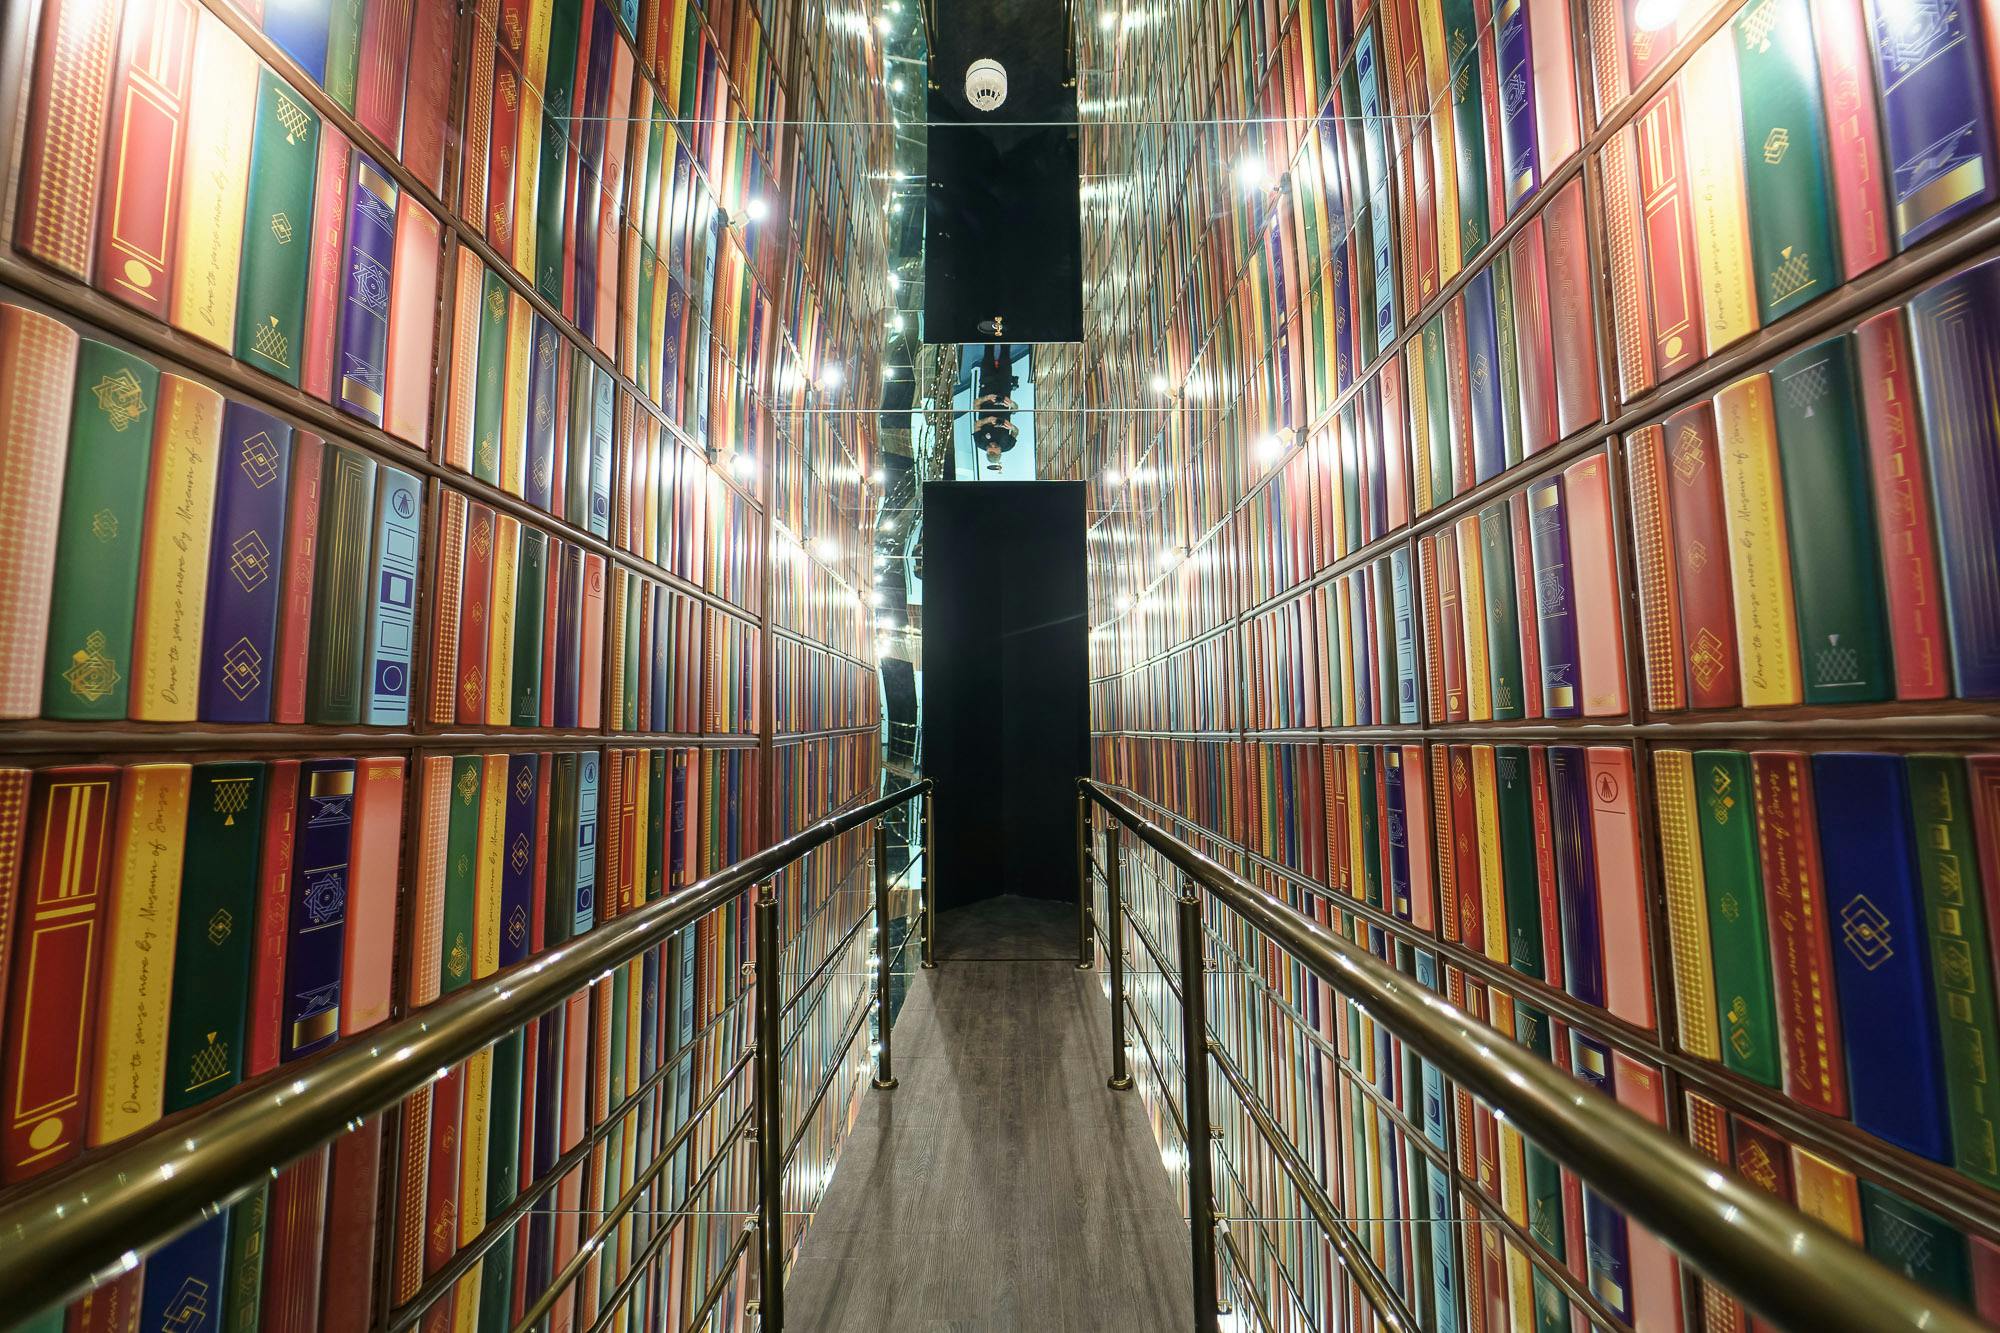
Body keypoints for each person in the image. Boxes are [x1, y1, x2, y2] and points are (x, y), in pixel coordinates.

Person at [972, 345, 1018, 471]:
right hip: (1004, 390)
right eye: (996, 447)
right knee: (1005, 355)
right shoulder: (1007, 445)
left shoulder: (980, 442)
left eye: (990, 447)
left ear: (986, 451)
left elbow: (976, 422)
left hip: (987, 388)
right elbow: (1016, 432)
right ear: (1000, 451)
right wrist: (1011, 427)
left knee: (988, 353)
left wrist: (989, 419)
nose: (992, 445)